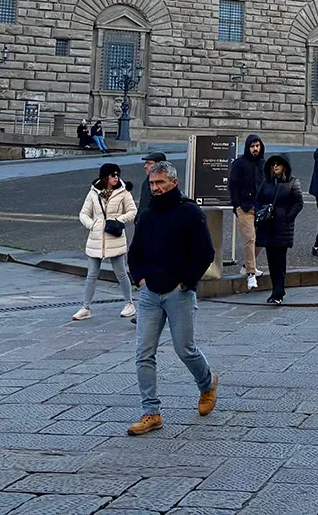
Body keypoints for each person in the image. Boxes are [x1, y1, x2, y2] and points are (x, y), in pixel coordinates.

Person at [125, 160, 217, 435]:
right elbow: (135, 252)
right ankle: (151, 412)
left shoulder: (189, 213)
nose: (156, 188)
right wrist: (140, 279)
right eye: (152, 183)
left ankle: (207, 384)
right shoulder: (147, 216)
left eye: (160, 182)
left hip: (179, 293)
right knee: (144, 353)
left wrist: (185, 283)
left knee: (184, 349)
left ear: (173, 183)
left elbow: (205, 253)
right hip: (150, 293)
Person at [73, 163, 137, 321]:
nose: (116, 178)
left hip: (114, 236)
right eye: (113, 175)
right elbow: (83, 213)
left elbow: (132, 211)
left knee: (121, 273)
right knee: (91, 274)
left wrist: (119, 220)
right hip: (96, 239)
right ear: (105, 177)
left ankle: (129, 303)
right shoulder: (94, 192)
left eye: (118, 175)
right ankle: (85, 307)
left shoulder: (123, 191)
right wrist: (92, 225)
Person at [254, 153, 303, 305]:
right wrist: (260, 212)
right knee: (271, 259)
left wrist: (288, 217)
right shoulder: (266, 182)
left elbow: (298, 203)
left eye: (278, 164)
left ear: (284, 167)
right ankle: (275, 290)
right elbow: (258, 199)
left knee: (280, 259)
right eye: (273, 164)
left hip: (282, 226)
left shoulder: (292, 182)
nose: (275, 167)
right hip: (267, 225)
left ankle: (278, 292)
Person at [224, 134, 266, 290]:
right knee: (249, 238)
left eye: (257, 146)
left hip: (260, 206)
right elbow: (232, 185)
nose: (255, 149)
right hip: (245, 206)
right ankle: (251, 274)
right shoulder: (239, 163)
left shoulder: (263, 163)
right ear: (248, 147)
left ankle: (247, 266)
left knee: (261, 239)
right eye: (252, 146)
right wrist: (237, 205)